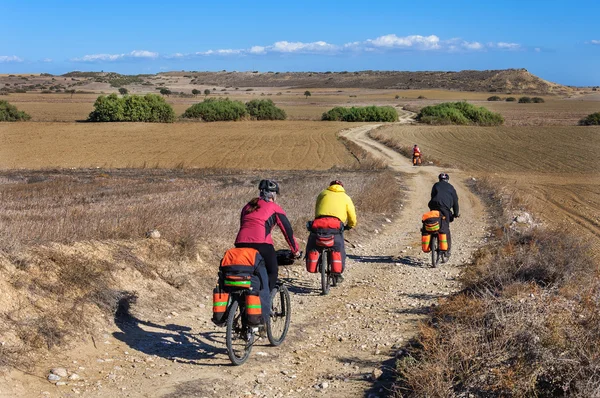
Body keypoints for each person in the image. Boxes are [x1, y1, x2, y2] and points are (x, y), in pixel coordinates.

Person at [235, 179, 301, 293]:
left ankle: (243, 299)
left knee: (245, 271)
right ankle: (263, 299)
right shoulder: (274, 208)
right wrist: (295, 250)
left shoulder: (247, 207)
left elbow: (243, 225)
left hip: (240, 243)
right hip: (262, 244)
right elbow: (287, 231)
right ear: (274, 194)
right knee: (272, 272)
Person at [305, 180, 357, 282]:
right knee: (339, 247)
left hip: (319, 223)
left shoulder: (323, 193)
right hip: (335, 226)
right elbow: (352, 216)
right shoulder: (346, 197)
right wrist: (350, 226)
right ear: (342, 187)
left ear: (330, 186)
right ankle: (337, 274)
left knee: (313, 243)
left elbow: (317, 209)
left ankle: (316, 262)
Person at [428, 173, 459, 257]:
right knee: (446, 228)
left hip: (433, 206)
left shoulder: (436, 185)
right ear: (447, 180)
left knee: (433, 222)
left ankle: (431, 242)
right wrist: (456, 213)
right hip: (444, 209)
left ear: (439, 179)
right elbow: (455, 202)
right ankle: (447, 251)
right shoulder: (451, 187)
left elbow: (432, 196)